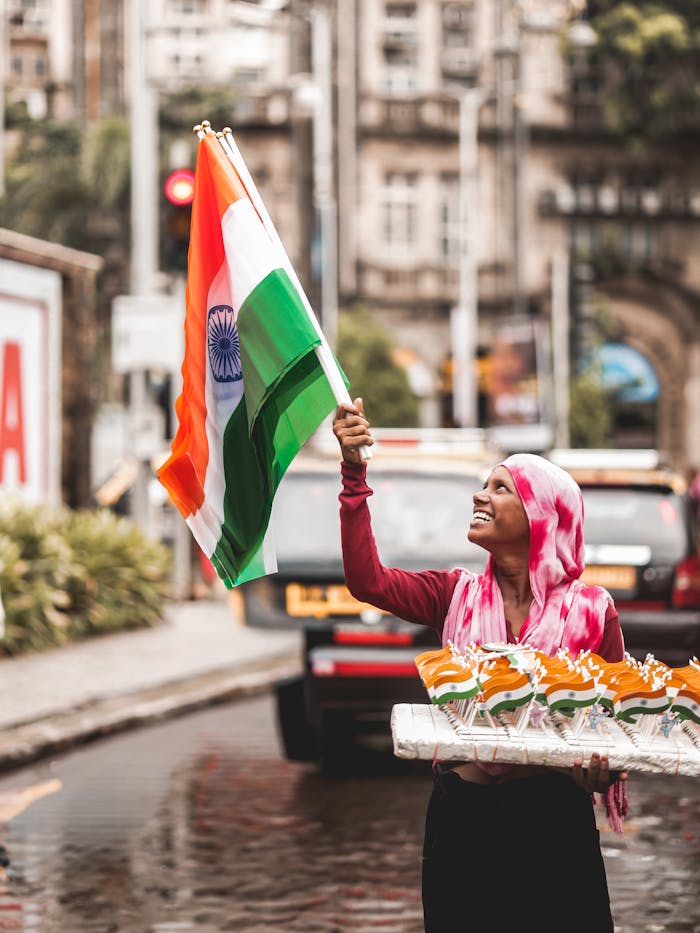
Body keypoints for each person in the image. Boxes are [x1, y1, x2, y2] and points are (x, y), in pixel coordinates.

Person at [333, 398, 628, 933]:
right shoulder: (453, 595)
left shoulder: (592, 611)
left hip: (551, 825)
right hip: (461, 819)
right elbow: (366, 581)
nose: (480, 495)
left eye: (500, 487)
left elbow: (617, 725)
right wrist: (355, 474)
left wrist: (603, 768)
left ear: (541, 514)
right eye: (484, 484)